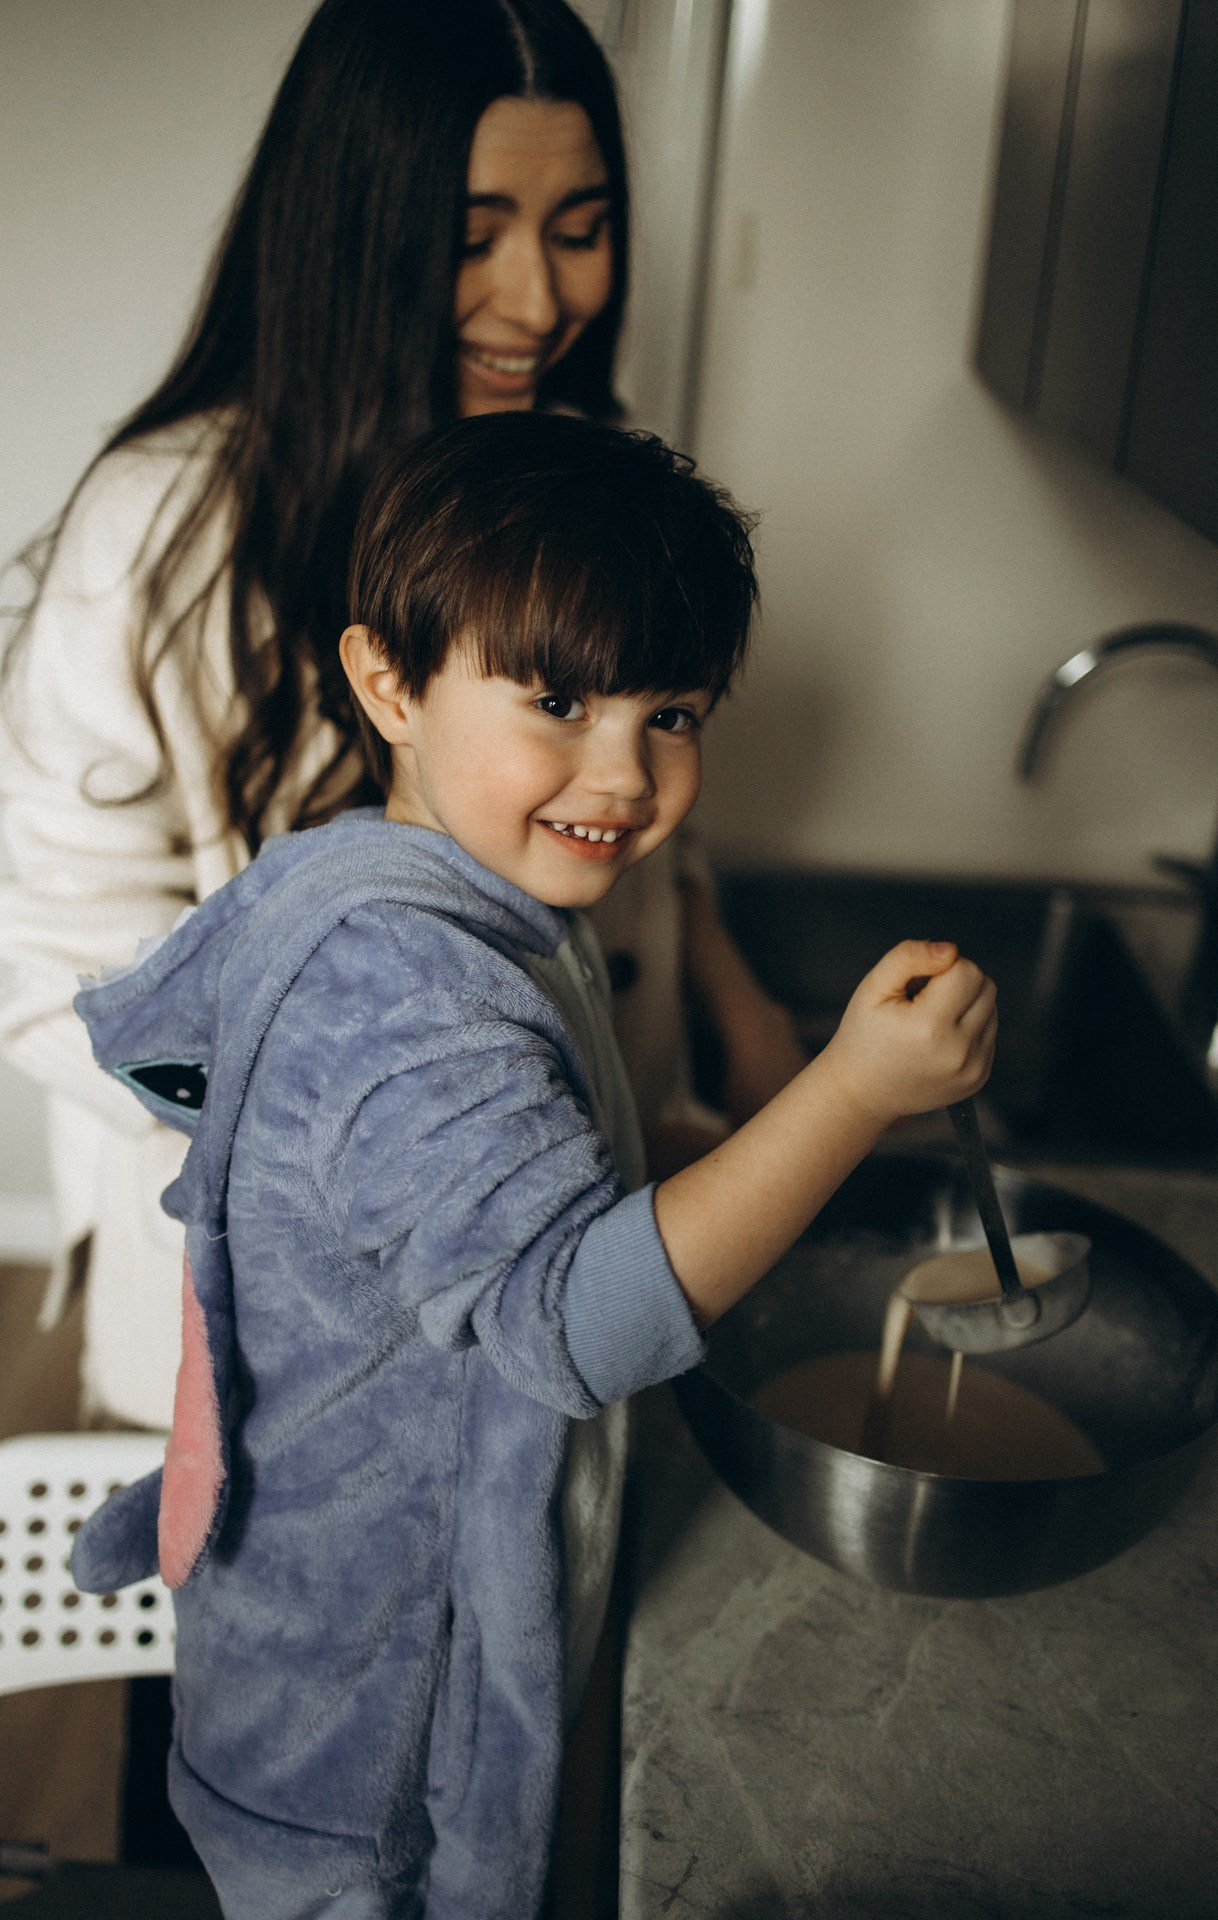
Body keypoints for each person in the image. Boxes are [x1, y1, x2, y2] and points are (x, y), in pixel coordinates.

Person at [70, 412, 996, 1920]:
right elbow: (575, 1326)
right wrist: (852, 1093)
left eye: (674, 714)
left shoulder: (423, 894)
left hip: (341, 1674)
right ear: (389, 684)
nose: (623, 775)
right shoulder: (407, 997)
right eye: (558, 698)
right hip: (369, 1752)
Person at [0, 0, 804, 1431]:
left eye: (578, 227)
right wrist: (376, 1132)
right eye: (471, 231)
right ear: (351, 233)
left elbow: (628, 817)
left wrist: (737, 1010)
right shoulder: (161, 534)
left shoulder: (585, 469)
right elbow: (47, 959)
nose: (538, 300)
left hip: (577, 1234)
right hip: (298, 1297)